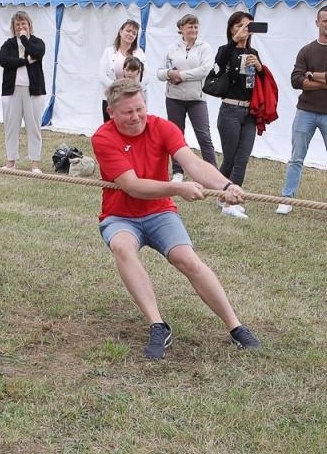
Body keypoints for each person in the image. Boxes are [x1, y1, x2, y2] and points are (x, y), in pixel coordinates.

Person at [91, 78, 260, 360]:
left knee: (187, 259)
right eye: (128, 112)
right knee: (122, 246)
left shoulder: (163, 127)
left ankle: (236, 326)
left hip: (159, 212)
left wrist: (225, 187)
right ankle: (158, 325)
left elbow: (193, 163)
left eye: (140, 109)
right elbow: (132, 186)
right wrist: (178, 188)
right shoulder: (103, 138)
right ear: (112, 112)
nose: (136, 117)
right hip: (120, 216)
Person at [280, 4, 327, 219]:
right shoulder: (306, 50)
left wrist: (312, 76)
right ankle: (287, 199)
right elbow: (295, 80)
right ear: (317, 22)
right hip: (305, 111)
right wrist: (326, 84)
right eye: (325, 21)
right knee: (296, 157)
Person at [209, 11, 263, 219]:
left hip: (249, 110)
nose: (245, 29)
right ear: (232, 28)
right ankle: (223, 197)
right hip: (230, 109)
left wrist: (260, 68)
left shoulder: (254, 52)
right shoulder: (226, 50)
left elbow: (262, 83)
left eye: (248, 26)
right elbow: (217, 66)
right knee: (230, 158)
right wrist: (234, 41)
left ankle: (231, 198)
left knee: (243, 158)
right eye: (240, 25)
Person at [156, 13, 215, 182]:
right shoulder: (172, 48)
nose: (194, 30)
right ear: (181, 29)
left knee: (204, 136)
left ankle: (211, 172)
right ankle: (177, 171)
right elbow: (160, 73)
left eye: (196, 26)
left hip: (197, 99)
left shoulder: (205, 47)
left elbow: (205, 69)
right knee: (176, 135)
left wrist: (180, 75)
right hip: (174, 99)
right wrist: (169, 73)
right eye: (190, 26)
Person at [0, 11, 46, 170]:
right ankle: (11, 161)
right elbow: (4, 61)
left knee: (34, 127)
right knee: (11, 126)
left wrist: (25, 39)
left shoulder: (37, 42)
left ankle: (35, 163)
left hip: (33, 90)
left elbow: (37, 53)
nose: (20, 27)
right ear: (13, 27)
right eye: (17, 25)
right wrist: (25, 61)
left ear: (29, 25)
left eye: (23, 24)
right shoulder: (8, 44)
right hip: (12, 90)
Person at [98, 19, 140, 121]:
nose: (130, 34)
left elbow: (144, 77)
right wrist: (117, 89)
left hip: (131, 99)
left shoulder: (139, 53)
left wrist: (131, 90)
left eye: (134, 33)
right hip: (112, 98)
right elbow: (102, 75)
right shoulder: (108, 51)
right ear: (121, 32)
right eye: (128, 31)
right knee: (110, 129)